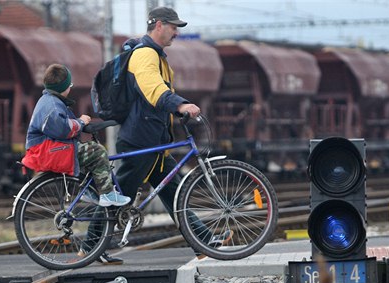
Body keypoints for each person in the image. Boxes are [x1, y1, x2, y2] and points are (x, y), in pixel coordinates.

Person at [98, 7, 232, 265]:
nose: (177, 32)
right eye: (173, 27)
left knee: (175, 192)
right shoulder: (145, 54)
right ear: (159, 25)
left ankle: (203, 242)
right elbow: (153, 88)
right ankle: (88, 247)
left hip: (154, 140)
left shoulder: (157, 55)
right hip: (141, 139)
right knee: (118, 194)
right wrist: (180, 104)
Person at [22, 63, 131, 208]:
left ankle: (88, 191)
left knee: (85, 152)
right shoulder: (53, 105)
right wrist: (80, 122)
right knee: (97, 152)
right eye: (70, 85)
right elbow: (62, 129)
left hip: (46, 149)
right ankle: (107, 194)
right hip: (47, 152)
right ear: (64, 88)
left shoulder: (48, 101)